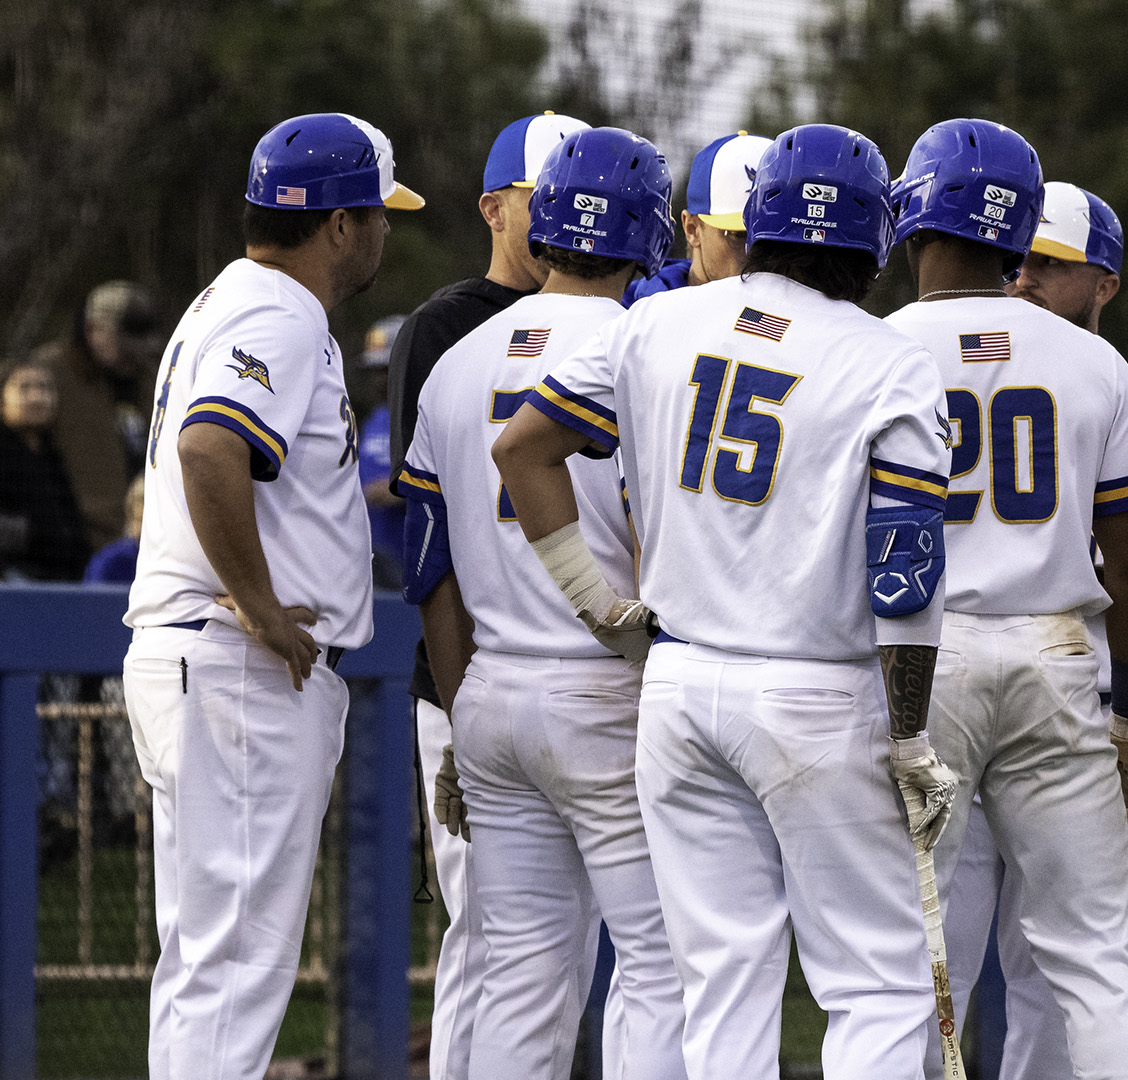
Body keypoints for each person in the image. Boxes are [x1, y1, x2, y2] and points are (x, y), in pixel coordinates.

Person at [492, 122, 956, 1079]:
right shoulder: (886, 358)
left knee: (722, 986)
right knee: (875, 985)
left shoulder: (658, 321)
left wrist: (596, 606)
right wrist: (909, 732)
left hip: (677, 686)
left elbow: (520, 449)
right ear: (872, 234)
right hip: (814, 695)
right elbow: (903, 572)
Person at [120, 111, 420, 1080]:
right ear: (339, 224)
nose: (383, 231)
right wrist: (254, 600)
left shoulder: (237, 299)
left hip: (205, 657)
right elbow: (211, 447)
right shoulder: (278, 313)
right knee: (236, 958)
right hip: (232, 659)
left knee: (211, 954)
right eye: (377, 213)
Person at [399, 126, 687, 1079]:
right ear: (648, 232)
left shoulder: (456, 357)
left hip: (488, 693)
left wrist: (456, 704)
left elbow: (430, 572)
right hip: (611, 686)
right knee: (663, 964)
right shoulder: (648, 346)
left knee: (519, 974)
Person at [883, 120, 1128, 1080]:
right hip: (1058, 656)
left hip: (920, 656)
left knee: (911, 956)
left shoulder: (872, 349)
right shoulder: (1099, 364)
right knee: (1095, 957)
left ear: (911, 212)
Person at [933, 179, 1128, 1080]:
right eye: (1019, 262)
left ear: (1107, 284)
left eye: (1051, 267)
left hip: (996, 681)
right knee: (1026, 955)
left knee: (1014, 967)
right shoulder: (1116, 388)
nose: (1027, 281)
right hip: (1063, 685)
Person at [382, 109, 588, 1080]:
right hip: (466, 669)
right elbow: (429, 526)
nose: (557, 221)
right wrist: (458, 704)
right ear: (493, 206)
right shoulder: (445, 324)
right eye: (541, 201)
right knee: (490, 930)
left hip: (572, 666)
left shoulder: (617, 320)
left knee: (567, 942)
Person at [33, 280, 166, 551]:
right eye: (126, 344)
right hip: (79, 544)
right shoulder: (47, 373)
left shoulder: (152, 376)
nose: (136, 354)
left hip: (150, 539)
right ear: (93, 330)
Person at [0, 358, 92, 580]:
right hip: (8, 579)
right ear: (0, 399)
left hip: (63, 579)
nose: (37, 397)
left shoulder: (52, 455)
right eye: (24, 388)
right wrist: (34, 533)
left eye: (44, 388)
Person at [623, 131, 774, 304]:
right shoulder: (629, 318)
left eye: (769, 238)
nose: (756, 253)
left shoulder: (798, 318)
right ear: (692, 230)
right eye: (738, 235)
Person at [356, 315, 408, 587]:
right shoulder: (375, 417)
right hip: (370, 555)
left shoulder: (422, 417)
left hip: (407, 560)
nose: (379, 378)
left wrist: (397, 490)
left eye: (387, 369)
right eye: (374, 370)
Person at [84, 475, 144, 583]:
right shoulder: (107, 563)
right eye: (140, 520)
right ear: (129, 518)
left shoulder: (174, 562)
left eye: (149, 522)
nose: (144, 530)